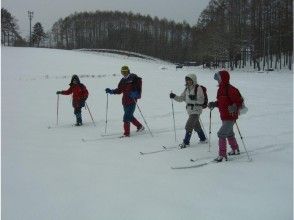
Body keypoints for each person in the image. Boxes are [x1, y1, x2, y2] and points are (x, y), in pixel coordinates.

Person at [208, 70, 243, 162]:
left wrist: (234, 107)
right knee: (229, 133)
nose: (217, 81)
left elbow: (239, 101)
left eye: (218, 79)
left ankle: (222, 155)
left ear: (223, 78)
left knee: (221, 134)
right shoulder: (220, 89)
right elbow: (221, 102)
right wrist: (214, 104)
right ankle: (235, 149)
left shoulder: (231, 89)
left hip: (230, 116)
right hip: (224, 115)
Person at [169, 73, 207, 148]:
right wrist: (174, 96)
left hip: (196, 110)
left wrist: (194, 99)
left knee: (189, 125)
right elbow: (181, 98)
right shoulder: (186, 88)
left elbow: (201, 101)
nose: (188, 81)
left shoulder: (198, 88)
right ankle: (203, 138)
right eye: (187, 80)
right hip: (190, 110)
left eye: (190, 80)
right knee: (196, 125)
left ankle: (186, 142)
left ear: (193, 80)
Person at [105, 65, 144, 137]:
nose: (124, 73)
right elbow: (119, 90)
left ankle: (126, 134)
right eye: (122, 72)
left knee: (126, 117)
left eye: (125, 72)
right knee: (130, 116)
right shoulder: (123, 80)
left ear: (128, 71)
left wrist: (135, 94)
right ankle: (140, 126)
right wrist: (111, 91)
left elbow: (138, 90)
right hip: (125, 101)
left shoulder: (133, 79)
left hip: (132, 101)